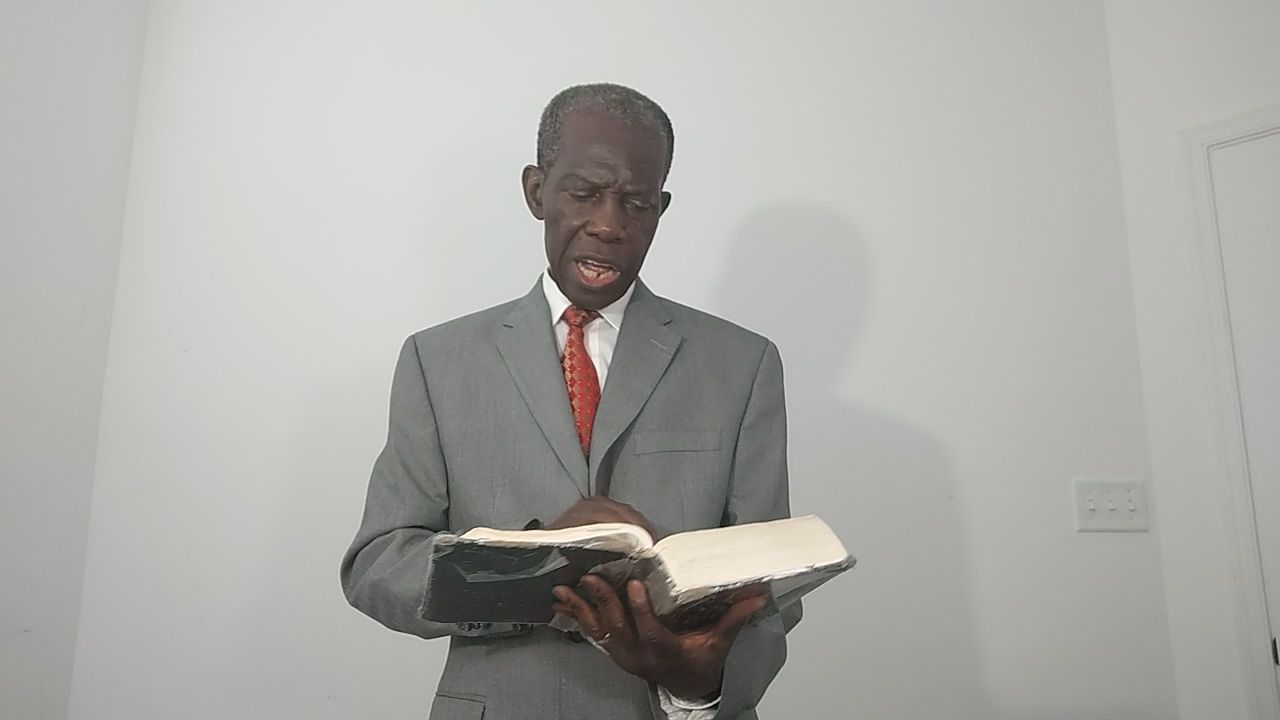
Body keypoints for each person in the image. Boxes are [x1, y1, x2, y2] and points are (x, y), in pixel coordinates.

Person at [341, 82, 799, 720]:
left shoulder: (743, 365)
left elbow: (772, 592)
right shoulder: (437, 360)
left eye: (636, 203)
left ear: (661, 208)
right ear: (536, 191)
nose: (609, 225)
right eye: (584, 193)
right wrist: (532, 566)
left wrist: (700, 682)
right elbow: (378, 565)